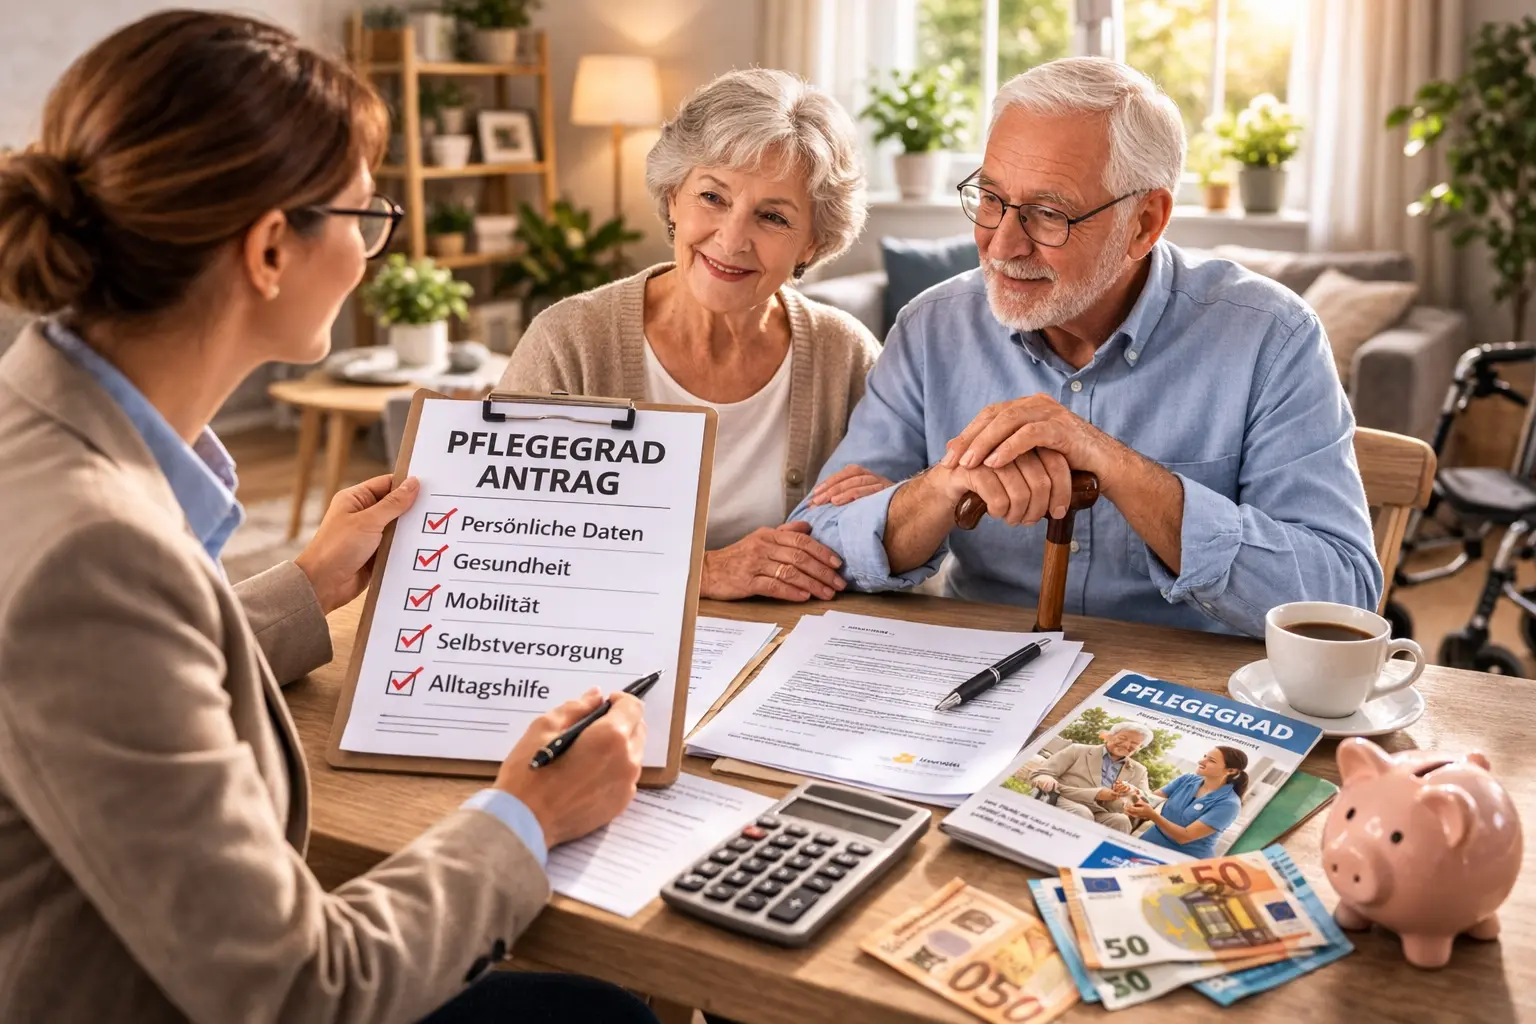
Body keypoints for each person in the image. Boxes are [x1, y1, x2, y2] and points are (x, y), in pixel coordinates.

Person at [0, 13, 658, 1023]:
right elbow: (300, 989)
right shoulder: (95, 553)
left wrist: (303, 589)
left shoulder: (33, 419)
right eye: (365, 215)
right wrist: (528, 812)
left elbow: (117, 677)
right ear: (271, 247)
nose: (370, 250)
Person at [787, 57, 1381, 638]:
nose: (1002, 245)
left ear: (1145, 222)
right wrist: (941, 485)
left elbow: (1340, 596)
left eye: (1049, 214)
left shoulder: (1272, 337)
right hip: (982, 676)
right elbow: (815, 543)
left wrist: (1114, 465)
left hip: (1191, 691)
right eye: (990, 198)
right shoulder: (931, 328)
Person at [498, 68, 890, 605]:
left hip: (788, 657)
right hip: (602, 646)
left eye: (773, 216)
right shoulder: (570, 342)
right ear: (672, 197)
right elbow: (504, 540)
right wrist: (701, 572)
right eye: (713, 197)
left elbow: (885, 542)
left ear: (812, 244)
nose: (731, 239)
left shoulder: (844, 354)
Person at [1027, 723, 1152, 833]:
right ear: (1109, 736)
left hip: (1102, 811)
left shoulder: (1139, 770)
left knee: (1121, 820)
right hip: (1064, 798)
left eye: (1135, 744)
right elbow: (1040, 773)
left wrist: (1131, 791)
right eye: (1122, 738)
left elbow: (1145, 801)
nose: (1126, 745)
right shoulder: (1077, 750)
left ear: (1140, 748)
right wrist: (1045, 778)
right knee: (1081, 812)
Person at [1127, 746, 1249, 858]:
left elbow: (1184, 837)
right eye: (1204, 757)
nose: (1201, 761)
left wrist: (1152, 815)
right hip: (1148, 843)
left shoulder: (1229, 804)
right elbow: (1150, 800)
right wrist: (1130, 793)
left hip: (1183, 858)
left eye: (1211, 760)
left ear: (1231, 771)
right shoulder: (1187, 779)